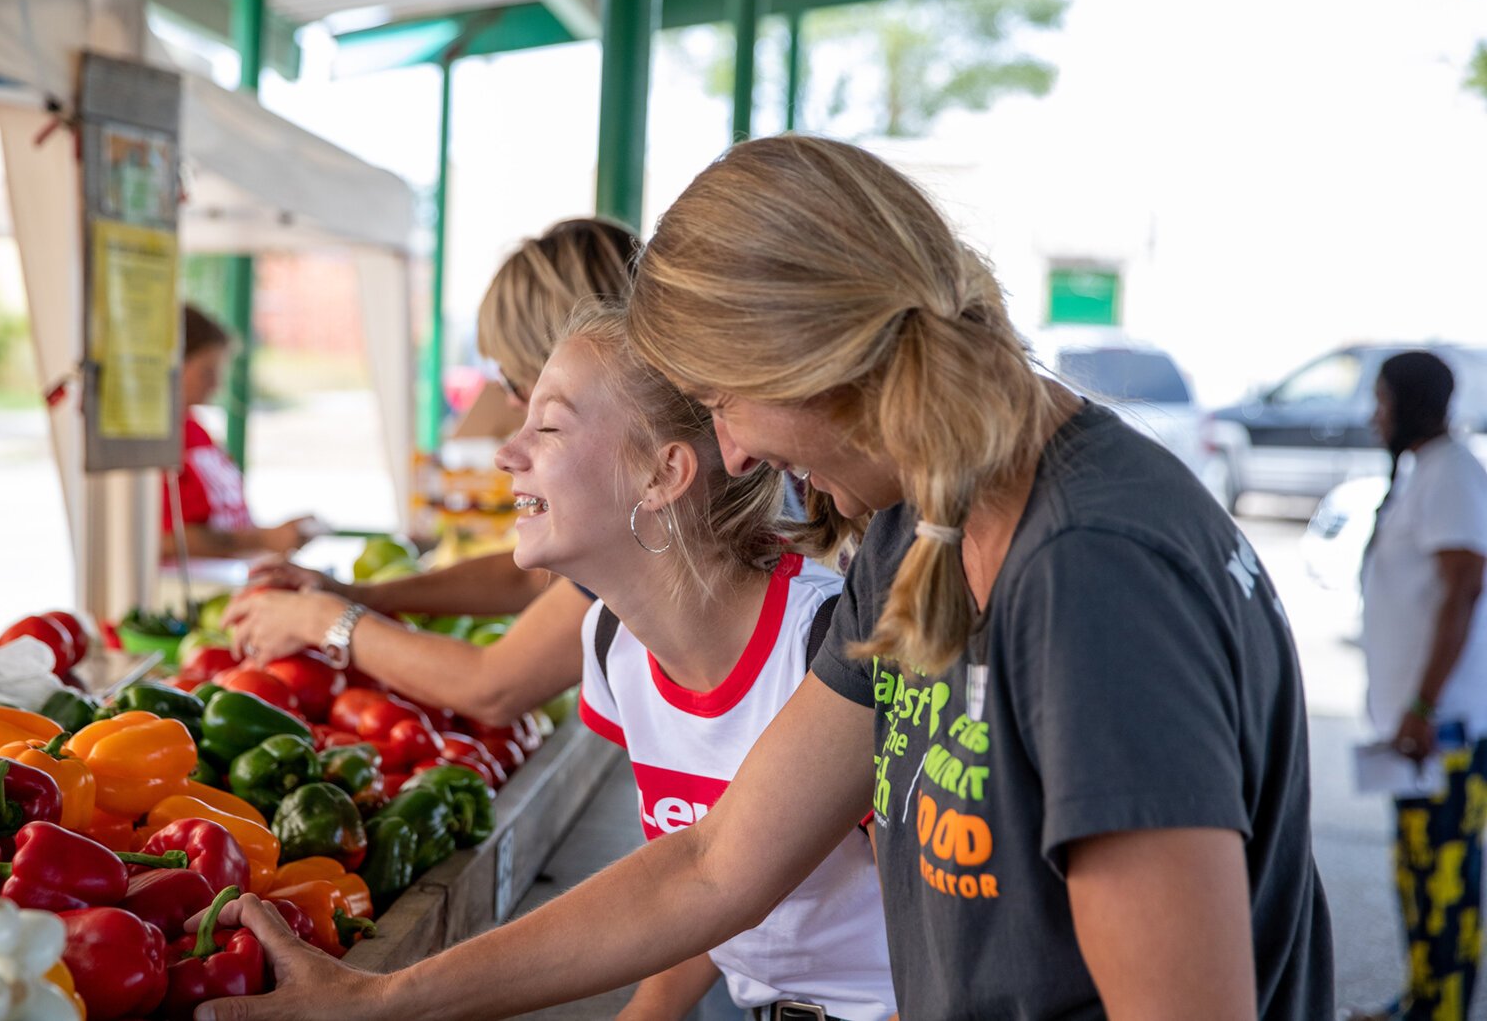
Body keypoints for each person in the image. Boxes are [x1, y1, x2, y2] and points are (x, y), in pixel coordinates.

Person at [193, 136, 1332, 1021]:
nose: (732, 454)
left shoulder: (1090, 571)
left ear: (814, 358)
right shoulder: (920, 521)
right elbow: (715, 862)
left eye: (727, 398)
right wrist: (384, 996)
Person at [226, 219, 636, 724]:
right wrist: (360, 596)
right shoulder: (637, 484)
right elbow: (535, 582)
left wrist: (323, 619)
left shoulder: (639, 499)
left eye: (514, 377)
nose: (509, 402)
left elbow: (493, 687)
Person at [1346, 351, 1487, 1021]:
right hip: (1416, 730)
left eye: (1383, 400)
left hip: (1445, 727)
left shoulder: (1451, 474)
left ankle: (1444, 1008)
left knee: (1448, 882)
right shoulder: (1423, 472)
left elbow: (1463, 586)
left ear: (1411, 402)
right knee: (1419, 876)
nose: (1376, 416)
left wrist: (1423, 703)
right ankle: (1424, 1000)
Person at [163, 304, 323, 558]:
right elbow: (161, 540)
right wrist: (262, 539)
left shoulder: (196, 431)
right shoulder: (151, 443)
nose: (216, 383)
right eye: (206, 371)